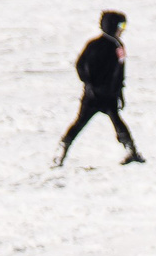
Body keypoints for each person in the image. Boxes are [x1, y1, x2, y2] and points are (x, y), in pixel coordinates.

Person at [56, 10, 143, 166]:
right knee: (80, 123)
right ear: (112, 26)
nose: (123, 29)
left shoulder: (118, 46)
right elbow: (80, 66)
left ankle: (131, 152)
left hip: (109, 96)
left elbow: (119, 73)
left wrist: (119, 93)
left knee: (117, 123)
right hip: (94, 96)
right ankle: (62, 150)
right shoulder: (96, 45)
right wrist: (90, 84)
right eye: (121, 25)